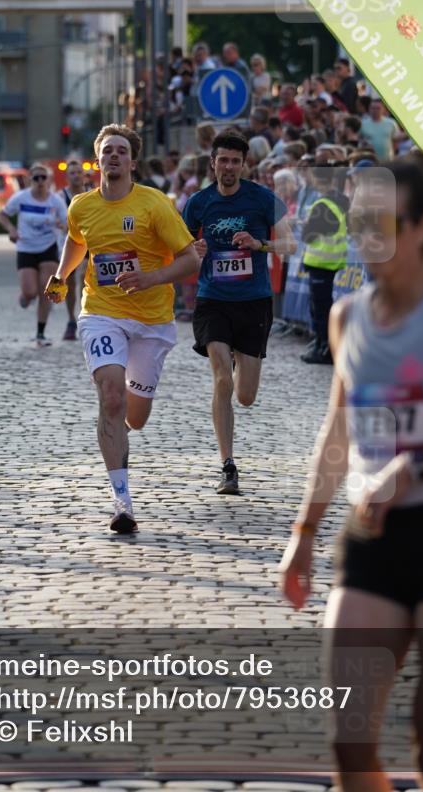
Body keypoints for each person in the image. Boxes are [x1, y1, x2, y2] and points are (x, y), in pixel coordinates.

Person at [280, 158, 423, 790]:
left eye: (382, 224)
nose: (366, 238)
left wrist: (413, 468)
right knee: (351, 741)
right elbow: (338, 432)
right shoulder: (346, 318)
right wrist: (304, 532)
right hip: (374, 536)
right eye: (360, 222)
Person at [44, 125, 198, 534]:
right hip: (101, 312)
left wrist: (151, 278)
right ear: (98, 160)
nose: (114, 156)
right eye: (107, 150)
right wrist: (61, 276)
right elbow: (78, 241)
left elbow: (190, 259)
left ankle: (120, 430)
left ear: (132, 161)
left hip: (152, 321)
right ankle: (122, 502)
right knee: (111, 396)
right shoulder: (81, 206)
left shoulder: (154, 204)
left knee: (136, 416)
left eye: (121, 151)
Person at [183, 132, 296, 494]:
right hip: (212, 300)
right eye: (223, 160)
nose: (229, 167)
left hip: (253, 301)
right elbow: (179, 247)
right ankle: (228, 466)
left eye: (235, 161)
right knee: (222, 380)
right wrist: (194, 249)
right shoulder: (198, 202)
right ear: (212, 163)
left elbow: (290, 245)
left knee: (245, 396)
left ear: (244, 165)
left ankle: (237, 359)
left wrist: (258, 243)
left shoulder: (263, 199)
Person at [0, 163, 67, 347]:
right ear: (30, 180)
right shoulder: (21, 197)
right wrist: (11, 229)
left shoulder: (55, 201)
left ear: (48, 180)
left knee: (47, 292)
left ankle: (40, 334)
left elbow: (68, 223)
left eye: (44, 177)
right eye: (36, 178)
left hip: (49, 248)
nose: (40, 181)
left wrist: (63, 226)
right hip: (26, 247)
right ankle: (25, 297)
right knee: (30, 292)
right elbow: (1, 214)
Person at [300, 165, 349, 365]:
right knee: (323, 307)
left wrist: (305, 225)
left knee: (320, 309)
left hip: (321, 261)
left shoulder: (322, 204)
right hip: (331, 261)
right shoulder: (340, 199)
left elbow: (308, 235)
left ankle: (324, 348)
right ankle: (323, 344)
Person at [59, 159, 87, 341]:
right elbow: (57, 217)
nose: (76, 176)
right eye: (72, 173)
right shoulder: (61, 196)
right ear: (67, 177)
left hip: (90, 243)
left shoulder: (92, 193)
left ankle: (85, 315)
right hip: (70, 243)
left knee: (85, 275)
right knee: (69, 281)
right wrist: (62, 225)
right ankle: (71, 319)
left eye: (79, 172)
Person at [360, 97, 399, 161]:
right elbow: (359, 140)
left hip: (387, 161)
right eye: (373, 108)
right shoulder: (362, 124)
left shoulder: (391, 123)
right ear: (369, 109)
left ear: (383, 109)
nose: (375, 111)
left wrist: (394, 156)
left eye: (378, 108)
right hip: (369, 161)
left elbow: (395, 141)